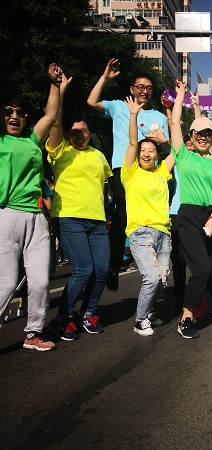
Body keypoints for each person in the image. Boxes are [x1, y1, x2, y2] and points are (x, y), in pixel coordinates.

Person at [87, 58, 169, 292]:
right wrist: (105, 78)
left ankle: (149, 264)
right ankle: (114, 266)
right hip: (124, 170)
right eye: (140, 87)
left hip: (150, 174)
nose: (144, 91)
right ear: (132, 89)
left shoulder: (159, 117)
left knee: (149, 219)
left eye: (148, 88)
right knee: (122, 215)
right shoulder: (119, 107)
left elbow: (167, 150)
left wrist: (163, 141)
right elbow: (91, 102)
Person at [0, 63, 64, 351]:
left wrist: (54, 83)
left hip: (36, 216)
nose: (15, 116)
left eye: (20, 113)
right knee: (6, 283)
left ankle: (33, 333)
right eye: (8, 112)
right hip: (6, 215)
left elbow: (50, 115)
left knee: (39, 281)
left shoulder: (32, 139)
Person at [46, 75, 112, 340]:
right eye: (75, 131)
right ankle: (62, 318)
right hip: (70, 218)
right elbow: (54, 121)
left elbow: (104, 187)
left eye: (84, 131)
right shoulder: (60, 151)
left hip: (97, 221)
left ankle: (88, 313)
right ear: (67, 134)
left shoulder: (98, 155)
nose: (80, 135)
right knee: (84, 270)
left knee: (102, 269)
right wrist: (59, 91)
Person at [170, 81, 212, 339]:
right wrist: (180, 95)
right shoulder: (184, 156)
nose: (204, 136)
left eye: (208, 133)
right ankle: (186, 317)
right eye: (199, 133)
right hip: (188, 216)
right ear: (192, 136)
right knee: (202, 270)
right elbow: (174, 123)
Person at [121, 95, 175, 336]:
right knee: (151, 278)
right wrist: (133, 115)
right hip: (141, 232)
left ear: (156, 155)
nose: (145, 153)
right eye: (143, 150)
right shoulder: (130, 173)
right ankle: (140, 320)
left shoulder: (161, 172)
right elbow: (133, 143)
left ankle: (150, 311)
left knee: (161, 281)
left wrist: (165, 139)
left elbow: (177, 153)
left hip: (163, 233)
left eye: (151, 150)